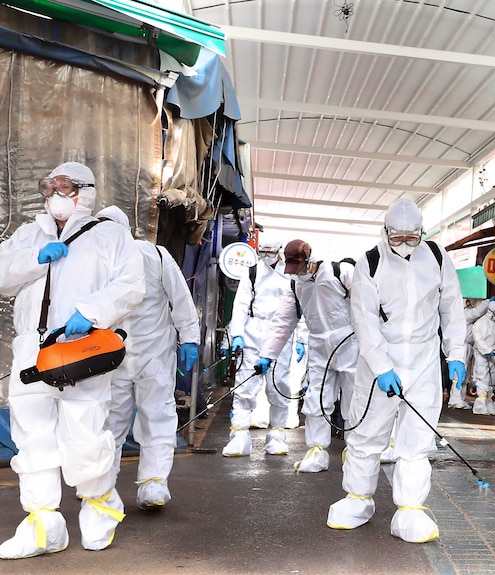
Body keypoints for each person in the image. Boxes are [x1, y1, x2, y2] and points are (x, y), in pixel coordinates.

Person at [0, 162, 145, 557]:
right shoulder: (29, 234)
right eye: (49, 188)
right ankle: (44, 525)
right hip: (32, 349)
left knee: (85, 432)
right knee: (32, 439)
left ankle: (100, 509)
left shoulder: (110, 235)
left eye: (64, 187)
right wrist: (35, 258)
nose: (55, 195)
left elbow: (132, 285)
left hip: (81, 347)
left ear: (85, 192)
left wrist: (93, 310)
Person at [327, 198, 466, 543]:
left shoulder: (436, 257)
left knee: (417, 439)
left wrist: (457, 353)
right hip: (380, 364)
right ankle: (358, 499)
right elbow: (364, 320)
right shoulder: (370, 263)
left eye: (411, 238)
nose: (404, 244)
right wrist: (381, 367)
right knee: (367, 434)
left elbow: (451, 307)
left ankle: (410, 510)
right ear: (385, 232)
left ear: (422, 232)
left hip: (423, 361)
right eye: (397, 238)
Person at [96, 206, 200, 510]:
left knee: (157, 415)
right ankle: (102, 484)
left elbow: (181, 299)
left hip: (154, 351)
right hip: (110, 355)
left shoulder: (154, 255)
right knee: (109, 420)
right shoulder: (94, 263)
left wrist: (190, 339)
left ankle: (154, 483)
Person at [258, 239, 357, 473]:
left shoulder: (341, 272)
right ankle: (317, 451)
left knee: (354, 401)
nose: (297, 273)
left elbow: (368, 305)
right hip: (319, 347)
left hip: (351, 344)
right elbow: (284, 321)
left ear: (310, 260)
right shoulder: (295, 285)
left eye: (299, 268)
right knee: (316, 400)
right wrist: (268, 354)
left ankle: (356, 452)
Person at [222, 241, 297, 457]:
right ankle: (238, 435)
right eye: (262, 252)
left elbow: (298, 307)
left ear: (279, 251)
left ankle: (277, 436)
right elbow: (241, 304)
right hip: (254, 331)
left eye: (270, 252)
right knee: (245, 384)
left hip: (281, 332)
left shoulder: (290, 274)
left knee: (279, 384)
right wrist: (236, 334)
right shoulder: (252, 272)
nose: (266, 256)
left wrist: (301, 338)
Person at [472, 300, 495, 415]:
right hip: (482, 355)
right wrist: (487, 350)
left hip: (494, 354)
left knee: (492, 380)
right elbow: (478, 339)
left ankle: (488, 402)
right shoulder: (480, 323)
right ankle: (480, 405)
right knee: (483, 378)